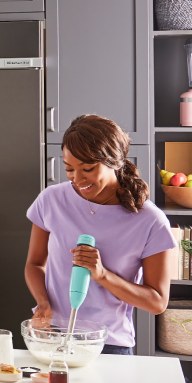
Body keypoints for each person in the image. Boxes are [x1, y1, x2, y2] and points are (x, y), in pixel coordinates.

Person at [24, 115, 176, 355]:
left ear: (114, 161)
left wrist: (103, 275)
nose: (77, 179)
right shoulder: (51, 200)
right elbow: (34, 264)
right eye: (69, 169)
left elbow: (157, 302)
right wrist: (43, 304)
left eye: (87, 169)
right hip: (51, 337)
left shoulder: (150, 221)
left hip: (107, 345)